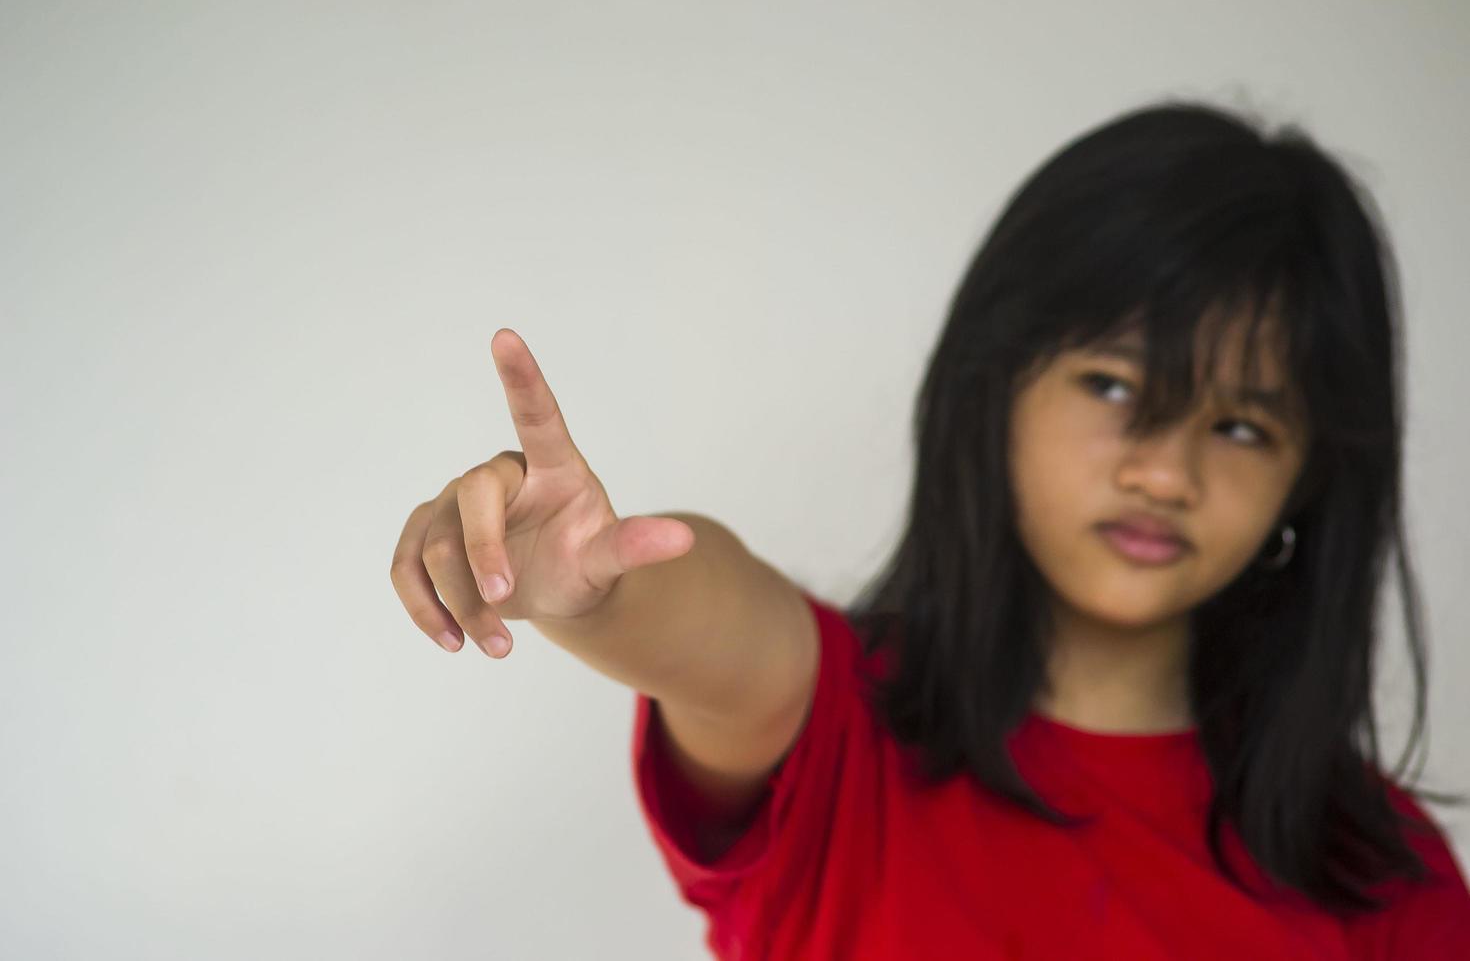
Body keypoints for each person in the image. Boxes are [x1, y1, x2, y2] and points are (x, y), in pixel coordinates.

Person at [389, 97, 1470, 959]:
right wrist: (596, 584)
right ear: (992, 390)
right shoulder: (839, 740)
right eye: (1111, 383)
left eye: (1240, 423)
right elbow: (721, 621)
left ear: (1310, 477)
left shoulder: (1388, 880)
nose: (1165, 469)